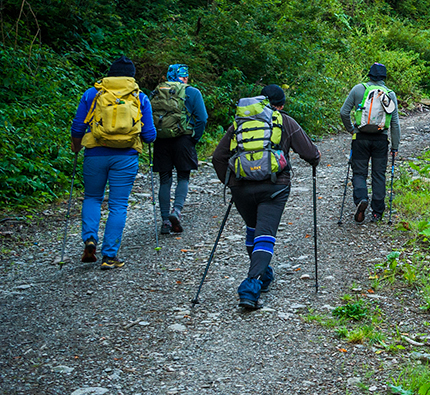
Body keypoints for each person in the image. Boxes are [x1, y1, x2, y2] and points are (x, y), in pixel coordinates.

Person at [210, 85, 320, 310]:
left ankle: (264, 273)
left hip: (241, 187)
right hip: (274, 187)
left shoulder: (239, 125)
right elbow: (311, 154)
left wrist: (230, 182)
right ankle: (251, 286)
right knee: (265, 233)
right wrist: (315, 160)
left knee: (253, 229)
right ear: (279, 105)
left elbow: (218, 157)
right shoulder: (284, 121)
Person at [69, 57, 156, 269]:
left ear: (110, 74)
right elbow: (150, 134)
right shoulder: (139, 96)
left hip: (95, 154)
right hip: (125, 157)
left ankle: (90, 239)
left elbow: (77, 126)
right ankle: (109, 255)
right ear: (131, 76)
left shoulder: (92, 93)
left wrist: (76, 147)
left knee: (92, 197)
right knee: (118, 205)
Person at [339, 63, 400, 224]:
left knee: (359, 173)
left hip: (360, 138)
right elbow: (395, 124)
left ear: (369, 75)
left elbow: (343, 112)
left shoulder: (358, 89)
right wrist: (395, 146)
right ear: (384, 77)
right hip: (381, 140)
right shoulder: (390, 94)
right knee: (379, 174)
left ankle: (361, 198)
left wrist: (351, 130)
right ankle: (377, 213)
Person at [151, 63, 208, 235]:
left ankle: (165, 221)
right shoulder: (191, 92)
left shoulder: (156, 91)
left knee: (164, 179)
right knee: (183, 176)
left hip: (161, 140)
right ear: (184, 76)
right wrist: (194, 139)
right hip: (183, 139)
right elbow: (202, 119)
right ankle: (176, 210)